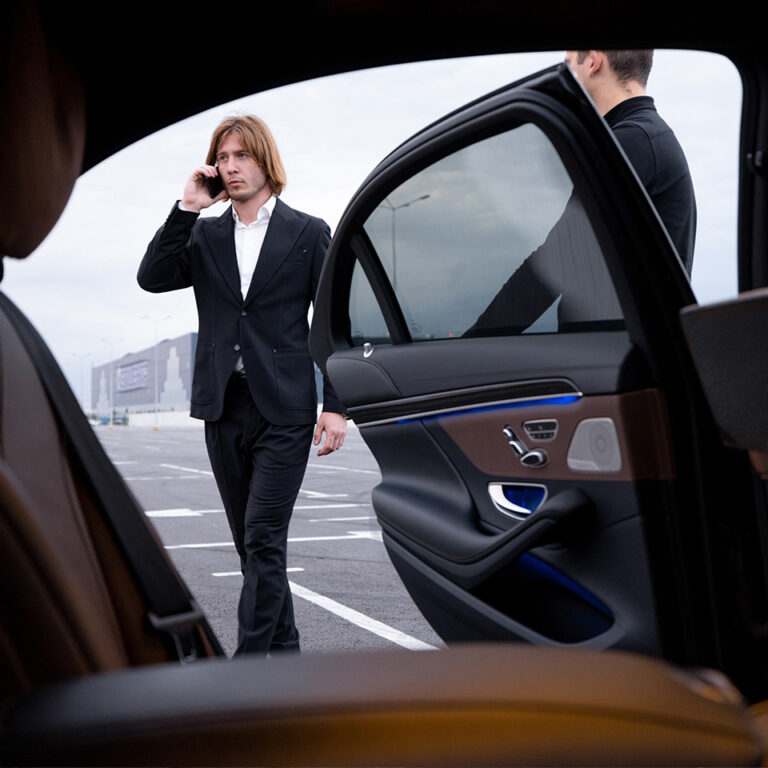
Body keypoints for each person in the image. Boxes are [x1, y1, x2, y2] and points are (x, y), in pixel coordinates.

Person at [138, 114, 347, 656]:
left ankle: (248, 667)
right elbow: (152, 277)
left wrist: (336, 405)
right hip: (223, 405)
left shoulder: (308, 232)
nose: (231, 167)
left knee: (262, 538)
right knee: (251, 546)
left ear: (264, 161)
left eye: (241, 156)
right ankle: (286, 654)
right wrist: (187, 208)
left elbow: (334, 322)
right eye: (223, 158)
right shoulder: (204, 234)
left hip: (285, 408)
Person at [466, 49, 696, 336]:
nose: (565, 78)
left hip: (616, 350)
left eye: (568, 65)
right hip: (619, 346)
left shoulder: (632, 141)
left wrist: (479, 337)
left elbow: (557, 259)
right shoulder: (645, 136)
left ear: (592, 62)